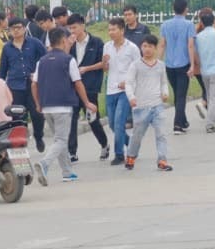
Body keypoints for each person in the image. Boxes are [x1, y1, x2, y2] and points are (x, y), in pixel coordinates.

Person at [31, 28, 99, 185]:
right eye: (69, 40)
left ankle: (67, 172)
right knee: (61, 140)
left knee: (58, 140)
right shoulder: (69, 60)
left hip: (46, 107)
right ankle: (44, 163)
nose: (70, 42)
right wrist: (87, 102)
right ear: (63, 41)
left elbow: (34, 85)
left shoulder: (41, 61)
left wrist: (37, 104)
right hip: (63, 107)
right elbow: (78, 83)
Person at [123, 35, 173, 172]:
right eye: (144, 46)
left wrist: (165, 93)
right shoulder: (136, 65)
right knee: (137, 136)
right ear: (141, 47)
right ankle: (131, 156)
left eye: (150, 46)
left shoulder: (160, 65)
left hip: (157, 106)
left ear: (155, 48)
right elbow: (129, 83)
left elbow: (163, 82)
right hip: (140, 107)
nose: (147, 49)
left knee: (161, 134)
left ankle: (162, 160)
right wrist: (131, 97)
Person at [0, 17, 47, 151]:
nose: (16, 30)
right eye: (13, 28)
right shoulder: (7, 48)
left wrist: (38, 73)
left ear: (24, 29)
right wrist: (0, 86)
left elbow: (46, 59)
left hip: (32, 85)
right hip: (14, 86)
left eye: (19, 27)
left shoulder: (35, 43)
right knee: (18, 116)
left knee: (37, 114)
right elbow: (3, 69)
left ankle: (38, 136)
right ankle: (21, 142)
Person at [66, 14, 109, 162]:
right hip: (72, 87)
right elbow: (63, 59)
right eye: (70, 28)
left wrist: (87, 68)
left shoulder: (96, 42)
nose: (72, 31)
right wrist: (68, 46)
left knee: (92, 119)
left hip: (90, 87)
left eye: (74, 27)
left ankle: (104, 144)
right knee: (72, 118)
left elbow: (103, 64)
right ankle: (72, 152)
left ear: (83, 26)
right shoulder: (69, 44)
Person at [103, 17, 140, 165]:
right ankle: (132, 144)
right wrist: (104, 63)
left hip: (126, 90)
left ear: (122, 30)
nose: (111, 32)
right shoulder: (107, 47)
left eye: (114, 29)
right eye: (109, 29)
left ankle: (119, 155)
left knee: (119, 122)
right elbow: (106, 69)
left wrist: (129, 82)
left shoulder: (132, 48)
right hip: (110, 89)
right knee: (112, 124)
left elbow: (139, 68)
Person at [159, 0, 196, 135]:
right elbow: (190, 45)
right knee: (181, 95)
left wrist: (158, 61)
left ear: (173, 9)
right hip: (183, 64)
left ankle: (183, 121)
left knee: (177, 93)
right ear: (186, 9)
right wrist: (192, 65)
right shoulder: (189, 25)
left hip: (169, 65)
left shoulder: (165, 25)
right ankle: (177, 125)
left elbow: (162, 44)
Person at [194, 11, 215, 134]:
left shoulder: (198, 37)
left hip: (204, 71)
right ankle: (210, 123)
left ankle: (214, 119)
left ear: (201, 22)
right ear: (213, 21)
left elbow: (196, 53)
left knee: (209, 96)